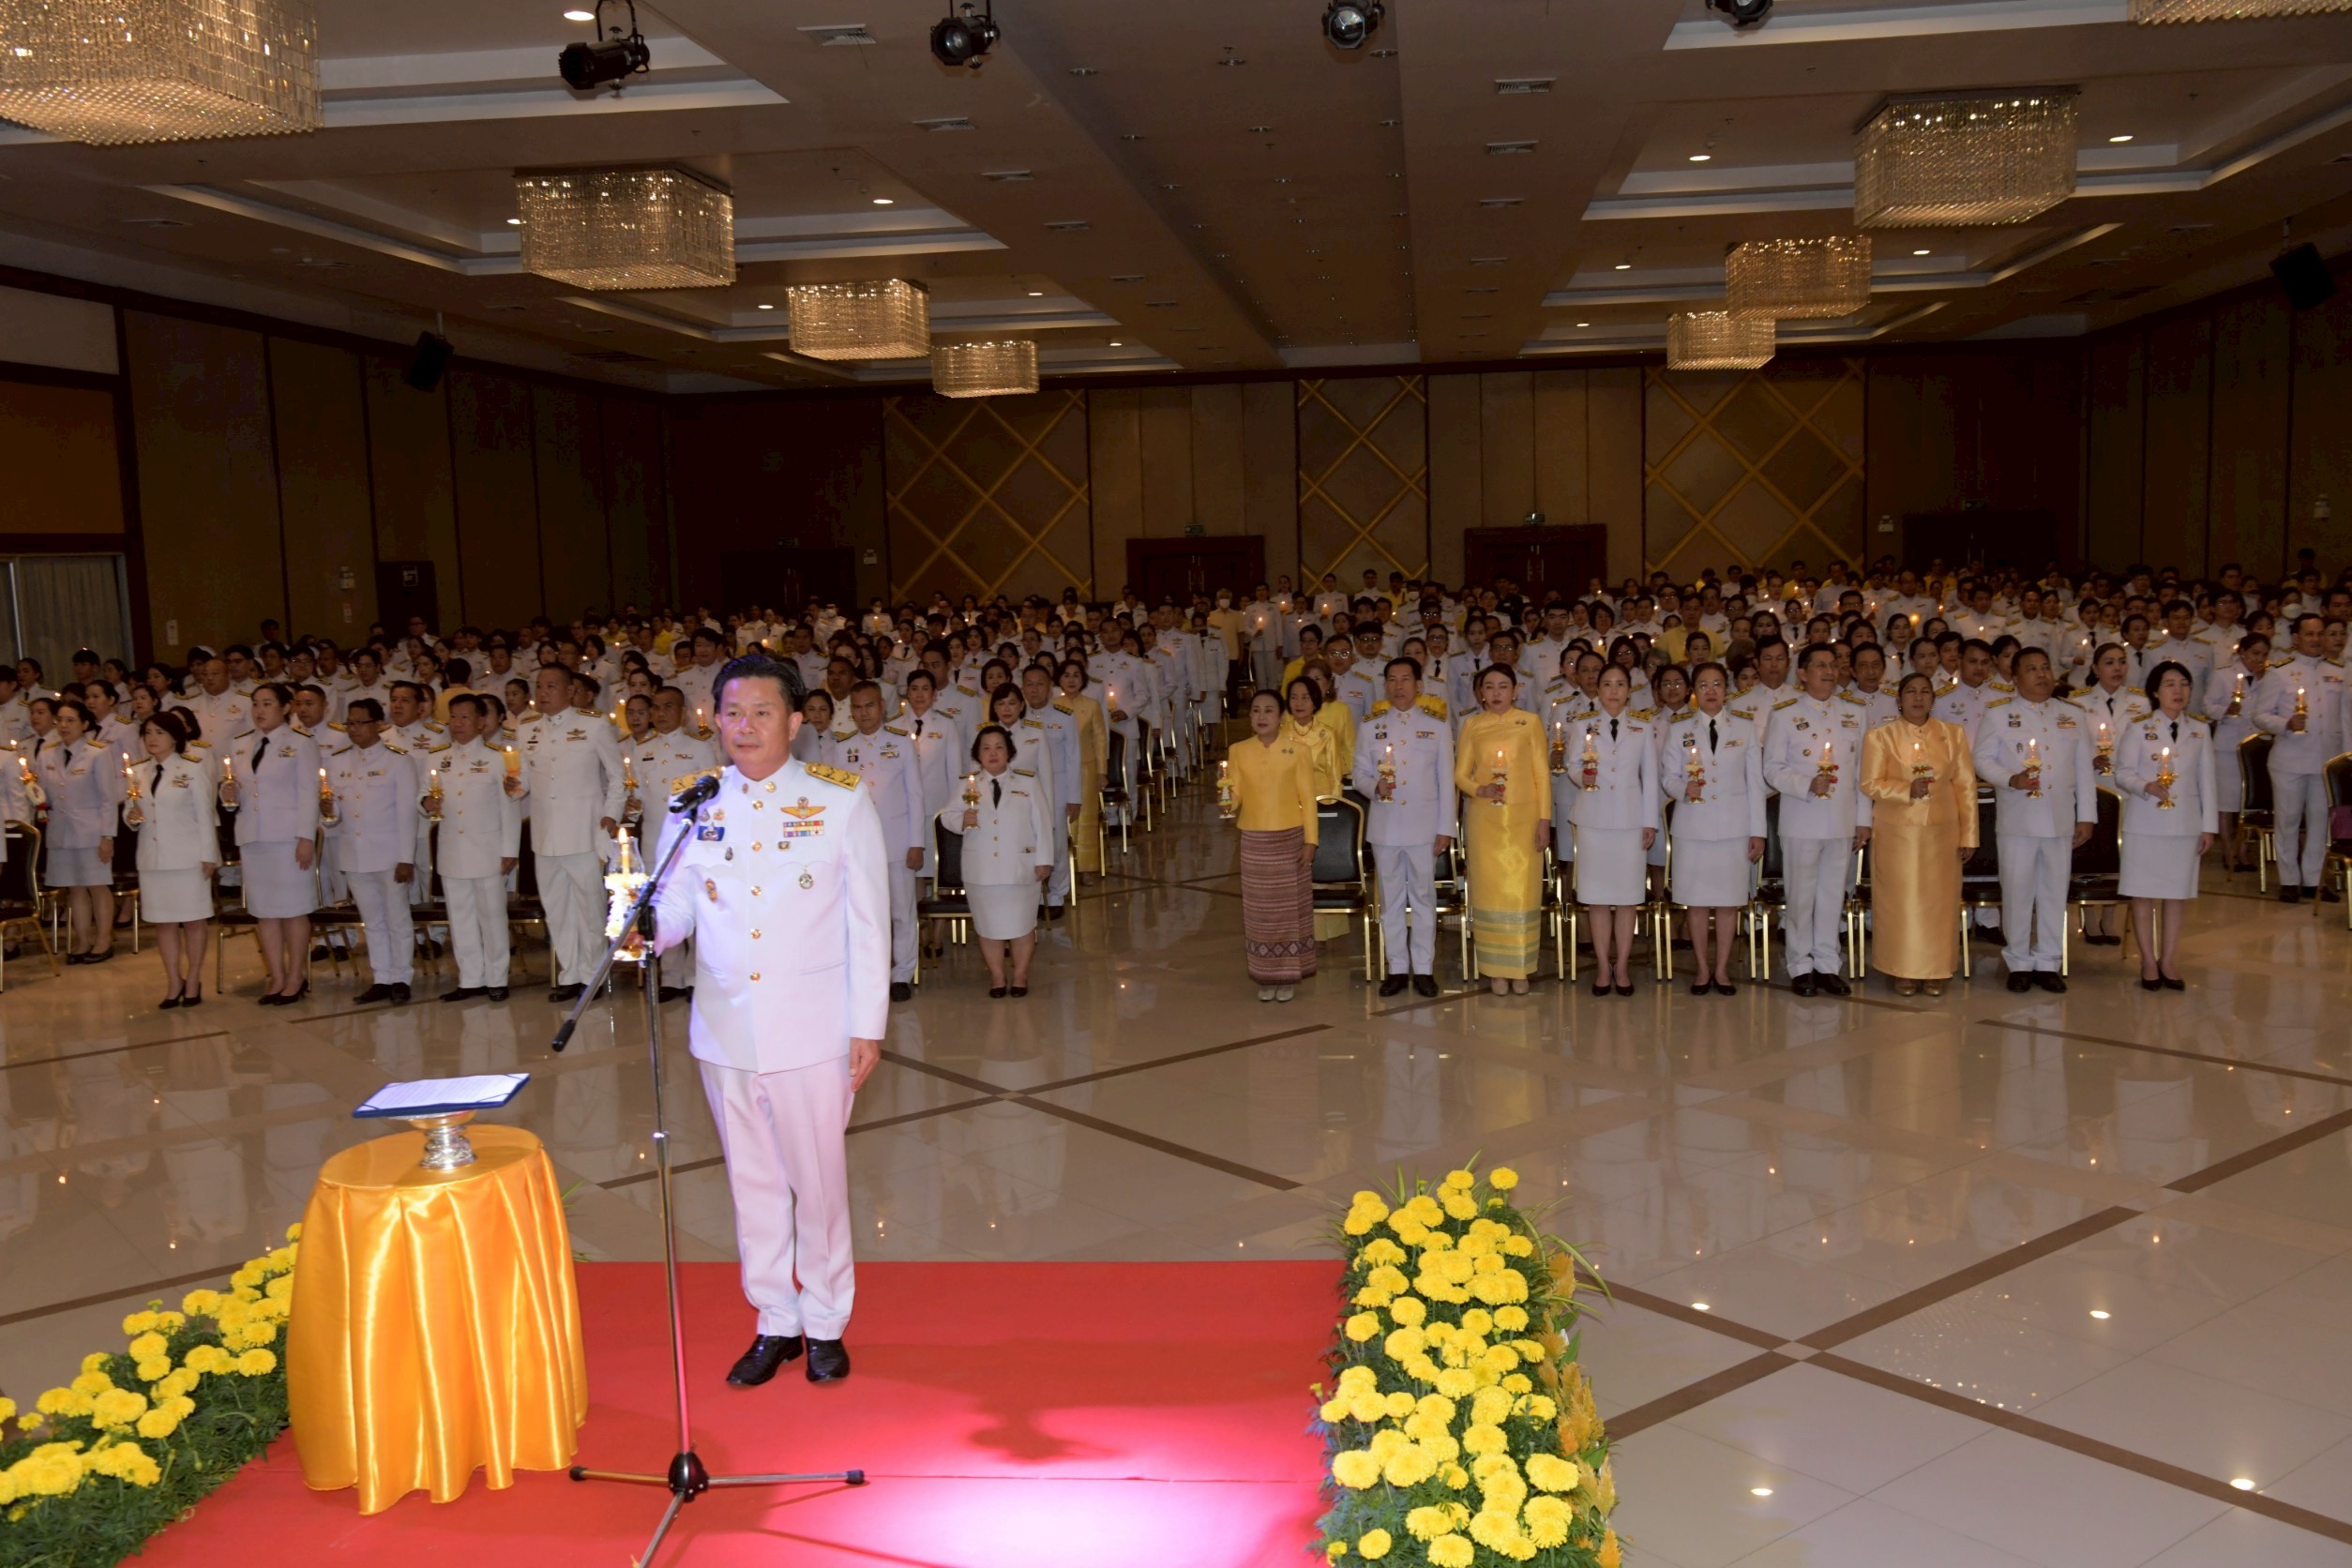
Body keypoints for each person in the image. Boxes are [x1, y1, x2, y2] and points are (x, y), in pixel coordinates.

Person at [646, 651, 886, 1389]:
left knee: (817, 1183)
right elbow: (676, 901)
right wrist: (645, 927)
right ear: (713, 719)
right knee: (752, 1184)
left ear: (794, 720)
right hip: (724, 1029)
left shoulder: (839, 798)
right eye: (730, 712)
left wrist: (866, 1025)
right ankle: (774, 1319)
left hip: (813, 1027)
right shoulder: (694, 801)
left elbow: (869, 922)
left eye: (759, 712)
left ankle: (824, 1321)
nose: (743, 726)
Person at [1973, 648, 2099, 993]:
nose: (2042, 674)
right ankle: (2017, 960)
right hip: (2019, 818)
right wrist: (2010, 778)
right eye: (2032, 669)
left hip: (2059, 818)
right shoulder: (1999, 714)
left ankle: (2048, 961)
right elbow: (1981, 759)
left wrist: (2086, 816)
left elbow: (2084, 772)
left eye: (2045, 667)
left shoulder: (2071, 714)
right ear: (2015, 677)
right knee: (2017, 890)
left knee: (2053, 893)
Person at [1761, 645, 1871, 996]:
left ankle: (1827, 963)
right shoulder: (1785, 714)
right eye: (1820, 665)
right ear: (1803, 674)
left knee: (1831, 896)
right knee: (1801, 896)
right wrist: (1805, 784)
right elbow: (1772, 769)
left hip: (1841, 819)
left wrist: (1863, 819)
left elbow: (1861, 773)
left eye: (1833, 665)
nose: (1829, 671)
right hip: (1801, 819)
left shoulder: (1855, 713)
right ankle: (1799, 964)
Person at [1859, 673, 1977, 996]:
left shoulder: (1953, 735)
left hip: (1943, 832)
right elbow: (1870, 783)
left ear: (1933, 699)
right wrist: (1904, 790)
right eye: (1911, 691)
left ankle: (1936, 969)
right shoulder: (1881, 736)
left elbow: (1965, 786)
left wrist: (1969, 835)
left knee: (1940, 903)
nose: (1918, 698)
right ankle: (1902, 969)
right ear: (1899, 699)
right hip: (1897, 832)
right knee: (1901, 902)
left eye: (1925, 692)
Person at [518, 665, 626, 1003]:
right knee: (557, 909)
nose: (543, 691)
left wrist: (611, 814)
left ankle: (593, 975)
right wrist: (513, 786)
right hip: (545, 835)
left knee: (589, 908)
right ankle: (570, 974)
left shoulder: (593, 725)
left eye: (551, 685)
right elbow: (522, 780)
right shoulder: (526, 730)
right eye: (539, 685)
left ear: (569, 691)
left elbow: (617, 777)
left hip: (583, 830)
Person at [1351, 656, 1456, 998]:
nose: (1399, 686)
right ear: (1385, 685)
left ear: (1419, 685)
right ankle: (1397, 967)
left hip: (1424, 828)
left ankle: (1424, 968)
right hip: (1385, 827)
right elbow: (1360, 775)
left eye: (1406, 679)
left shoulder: (1437, 726)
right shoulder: (1371, 727)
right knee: (1391, 900)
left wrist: (1446, 828)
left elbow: (1446, 781)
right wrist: (1374, 787)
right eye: (1392, 680)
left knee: (1424, 898)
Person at [1662, 663, 1765, 996]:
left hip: (1734, 828)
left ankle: (1721, 970)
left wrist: (1758, 831)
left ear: (1727, 689)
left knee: (1728, 902)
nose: (1710, 691)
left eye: (1717, 684)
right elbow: (1668, 777)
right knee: (1697, 902)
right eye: (1703, 685)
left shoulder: (1745, 728)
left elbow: (1755, 785)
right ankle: (1701, 969)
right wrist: (1682, 790)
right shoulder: (1679, 729)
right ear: (1694, 690)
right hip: (1693, 827)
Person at [2116, 661, 2217, 991]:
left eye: (2184, 684)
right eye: (2170, 684)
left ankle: (2169, 959)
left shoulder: (2200, 729)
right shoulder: (2138, 727)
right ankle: (2147, 960)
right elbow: (2123, 773)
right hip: (2145, 823)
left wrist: (2209, 826)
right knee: (2143, 896)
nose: (2178, 691)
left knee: (2177, 896)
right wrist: (2145, 785)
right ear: (2156, 692)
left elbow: (2208, 782)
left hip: (2184, 824)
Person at [1453, 666, 1551, 996]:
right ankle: (1495, 969)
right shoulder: (1471, 725)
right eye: (1490, 687)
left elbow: (1542, 773)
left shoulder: (1531, 722)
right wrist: (1479, 790)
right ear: (1480, 692)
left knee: (1522, 891)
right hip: (1485, 822)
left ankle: (1520, 968)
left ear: (1515, 691)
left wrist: (1544, 820)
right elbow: (1460, 775)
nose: (1496, 693)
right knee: (1489, 891)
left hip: (1523, 820)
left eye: (1503, 686)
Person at [221, 684, 321, 1002]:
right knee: (265, 912)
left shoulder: (300, 743)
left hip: (289, 838)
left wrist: (306, 837)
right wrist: (228, 799)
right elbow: (237, 794)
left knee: (293, 911)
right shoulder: (240, 744)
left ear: (285, 708)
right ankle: (276, 976)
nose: (260, 710)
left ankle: (296, 976)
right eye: (255, 704)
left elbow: (309, 793)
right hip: (253, 837)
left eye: (267, 704)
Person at [941, 723, 1055, 997]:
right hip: (981, 869)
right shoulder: (967, 783)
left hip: (1020, 867)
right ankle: (996, 976)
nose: (993, 753)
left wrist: (1044, 860)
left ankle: (1020, 975)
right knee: (988, 926)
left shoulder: (1027, 781)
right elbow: (947, 815)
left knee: (1022, 924)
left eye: (999, 747)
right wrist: (961, 820)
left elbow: (1042, 821)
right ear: (978, 754)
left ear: (1010, 752)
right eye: (986, 748)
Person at [831, 681, 925, 1002]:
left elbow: (915, 794)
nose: (863, 713)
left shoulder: (900, 743)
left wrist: (917, 842)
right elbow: (837, 801)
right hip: (858, 848)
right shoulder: (841, 747)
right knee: (865, 914)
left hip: (897, 841)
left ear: (882, 706)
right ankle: (872, 973)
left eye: (869, 706)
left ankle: (902, 974)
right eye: (857, 707)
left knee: (901, 911)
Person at [1568, 666, 1658, 997]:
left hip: (1631, 823)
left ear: (1629, 690)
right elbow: (1574, 766)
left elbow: (1650, 778)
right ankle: (1603, 965)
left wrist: (1651, 822)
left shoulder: (1642, 728)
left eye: (1620, 684)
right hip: (1594, 820)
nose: (1613, 690)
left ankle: (1622, 965)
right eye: (1606, 684)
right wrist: (1582, 777)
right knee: (1597, 899)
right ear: (1598, 688)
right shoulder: (1582, 725)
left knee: (1628, 900)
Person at [324, 698, 420, 1005]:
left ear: (378, 724)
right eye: (349, 723)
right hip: (355, 854)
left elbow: (407, 814)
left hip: (390, 854)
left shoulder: (397, 761)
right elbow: (335, 814)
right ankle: (381, 977)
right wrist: (328, 810)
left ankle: (401, 977)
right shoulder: (337, 760)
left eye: (360, 723)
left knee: (397, 918)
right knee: (373, 921)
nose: (353, 729)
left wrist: (406, 858)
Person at [1226, 689, 1319, 1003]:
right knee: (1260, 912)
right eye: (1255, 711)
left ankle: (1288, 974)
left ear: (1281, 717)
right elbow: (1234, 796)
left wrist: (1311, 841)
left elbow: (1308, 799)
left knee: (1289, 911)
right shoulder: (1238, 751)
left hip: (1290, 837)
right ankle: (1265, 975)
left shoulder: (1298, 751)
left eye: (1268, 711)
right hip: (1254, 839)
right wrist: (1225, 796)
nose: (1261, 717)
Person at [430, 694, 522, 1003]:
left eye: (465, 717)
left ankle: (497, 977)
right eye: (453, 717)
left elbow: (509, 806)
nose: (457, 723)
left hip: (487, 849)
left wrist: (510, 849)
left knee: (492, 916)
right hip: (452, 849)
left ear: (482, 723)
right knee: (460, 917)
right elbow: (424, 795)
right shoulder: (437, 757)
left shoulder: (498, 758)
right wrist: (425, 803)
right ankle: (470, 979)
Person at [2252, 612, 2348, 905]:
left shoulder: (2338, 672)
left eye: (2320, 634)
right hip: (2290, 759)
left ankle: (2313, 881)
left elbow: (2344, 719)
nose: (2316, 640)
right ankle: (2289, 880)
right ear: (2295, 638)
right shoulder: (2280, 672)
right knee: (2289, 820)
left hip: (2325, 761)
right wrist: (2285, 724)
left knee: (2321, 822)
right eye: (2309, 634)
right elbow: (2260, 715)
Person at [129, 709, 218, 1006]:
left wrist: (209, 856)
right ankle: (173, 981)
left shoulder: (192, 768)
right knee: (163, 922)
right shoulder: (139, 771)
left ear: (175, 738)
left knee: (193, 921)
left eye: (159, 733)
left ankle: (193, 979)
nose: (152, 739)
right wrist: (131, 817)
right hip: (153, 858)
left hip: (188, 857)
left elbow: (205, 816)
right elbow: (135, 813)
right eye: (148, 733)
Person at [38, 699, 127, 963]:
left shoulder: (97, 753)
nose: (63, 726)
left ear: (84, 724)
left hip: (91, 831)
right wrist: (38, 800)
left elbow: (107, 799)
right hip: (60, 831)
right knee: (74, 888)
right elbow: (44, 794)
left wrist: (107, 836)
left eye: (70, 720)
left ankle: (102, 940)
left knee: (97, 885)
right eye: (60, 720)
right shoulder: (47, 753)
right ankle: (83, 940)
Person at [2205, 631, 2269, 871]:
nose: (2259, 659)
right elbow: (2207, 705)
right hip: (2228, 746)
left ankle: (2244, 850)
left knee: (2250, 802)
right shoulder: (2223, 675)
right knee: (2227, 802)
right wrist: (2225, 710)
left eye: (2263, 655)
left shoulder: (2270, 677)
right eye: (2254, 654)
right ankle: (2229, 850)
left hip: (2257, 745)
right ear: (2242, 652)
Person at [1058, 659, 1108, 885]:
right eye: (1066, 675)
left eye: (1076, 675)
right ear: (1059, 679)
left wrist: (1102, 772)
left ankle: (1087, 867)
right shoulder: (1052, 705)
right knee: (1062, 817)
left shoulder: (1092, 705)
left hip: (1086, 769)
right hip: (1060, 771)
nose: (1071, 679)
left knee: (1087, 817)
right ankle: (1062, 867)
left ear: (1083, 679)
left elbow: (1099, 739)